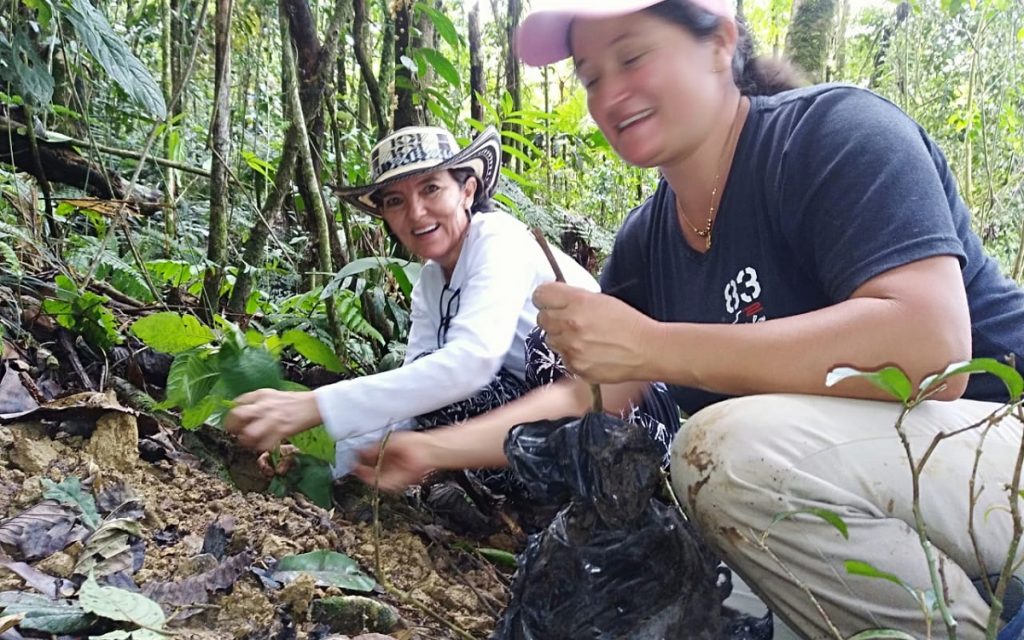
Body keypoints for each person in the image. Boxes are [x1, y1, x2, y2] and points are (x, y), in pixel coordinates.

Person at [352, 1, 1024, 638]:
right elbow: (593, 396)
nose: (611, 95)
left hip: (997, 439)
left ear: (720, 42)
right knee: (673, 585)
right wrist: (430, 451)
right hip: (848, 489)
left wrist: (655, 345)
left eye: (634, 56)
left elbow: (930, 351)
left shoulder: (832, 134)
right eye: (591, 77)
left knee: (720, 454)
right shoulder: (648, 242)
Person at [224, 125, 678, 486]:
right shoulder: (429, 283)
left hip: (628, 413)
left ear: (466, 190)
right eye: (396, 201)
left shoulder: (498, 240)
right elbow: (413, 396)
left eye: (431, 189)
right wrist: (327, 458)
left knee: (536, 349)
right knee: (436, 396)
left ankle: (595, 497)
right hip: (548, 419)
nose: (416, 213)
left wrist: (316, 406)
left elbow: (469, 364)